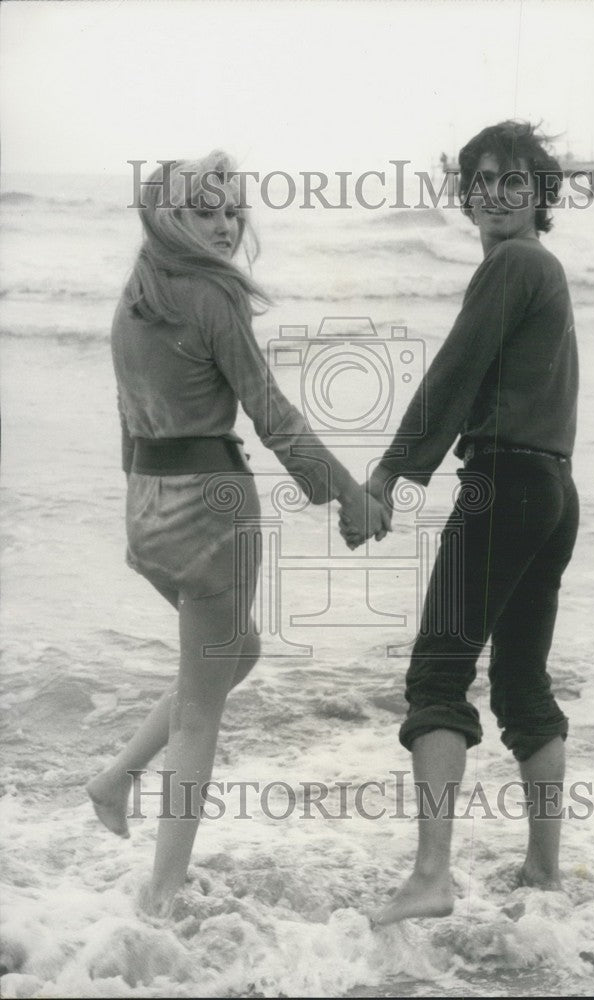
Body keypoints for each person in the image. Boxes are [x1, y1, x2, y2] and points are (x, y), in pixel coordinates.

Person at [87, 151, 389, 917]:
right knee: (201, 711)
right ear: (170, 215)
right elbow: (271, 413)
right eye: (207, 210)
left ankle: (116, 778)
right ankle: (161, 895)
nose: (224, 225)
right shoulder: (214, 294)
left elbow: (130, 418)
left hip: (150, 508)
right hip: (211, 511)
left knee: (232, 656)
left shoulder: (136, 296)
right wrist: (348, 497)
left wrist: (138, 517)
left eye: (234, 212)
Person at [341, 121, 579, 925]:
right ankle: (544, 875)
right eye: (481, 181)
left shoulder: (513, 263)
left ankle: (430, 876)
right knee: (518, 682)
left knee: (438, 675)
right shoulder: (540, 271)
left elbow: (451, 374)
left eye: (515, 182)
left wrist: (386, 479)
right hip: (550, 488)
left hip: (506, 483)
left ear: (540, 195)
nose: (495, 195)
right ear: (464, 194)